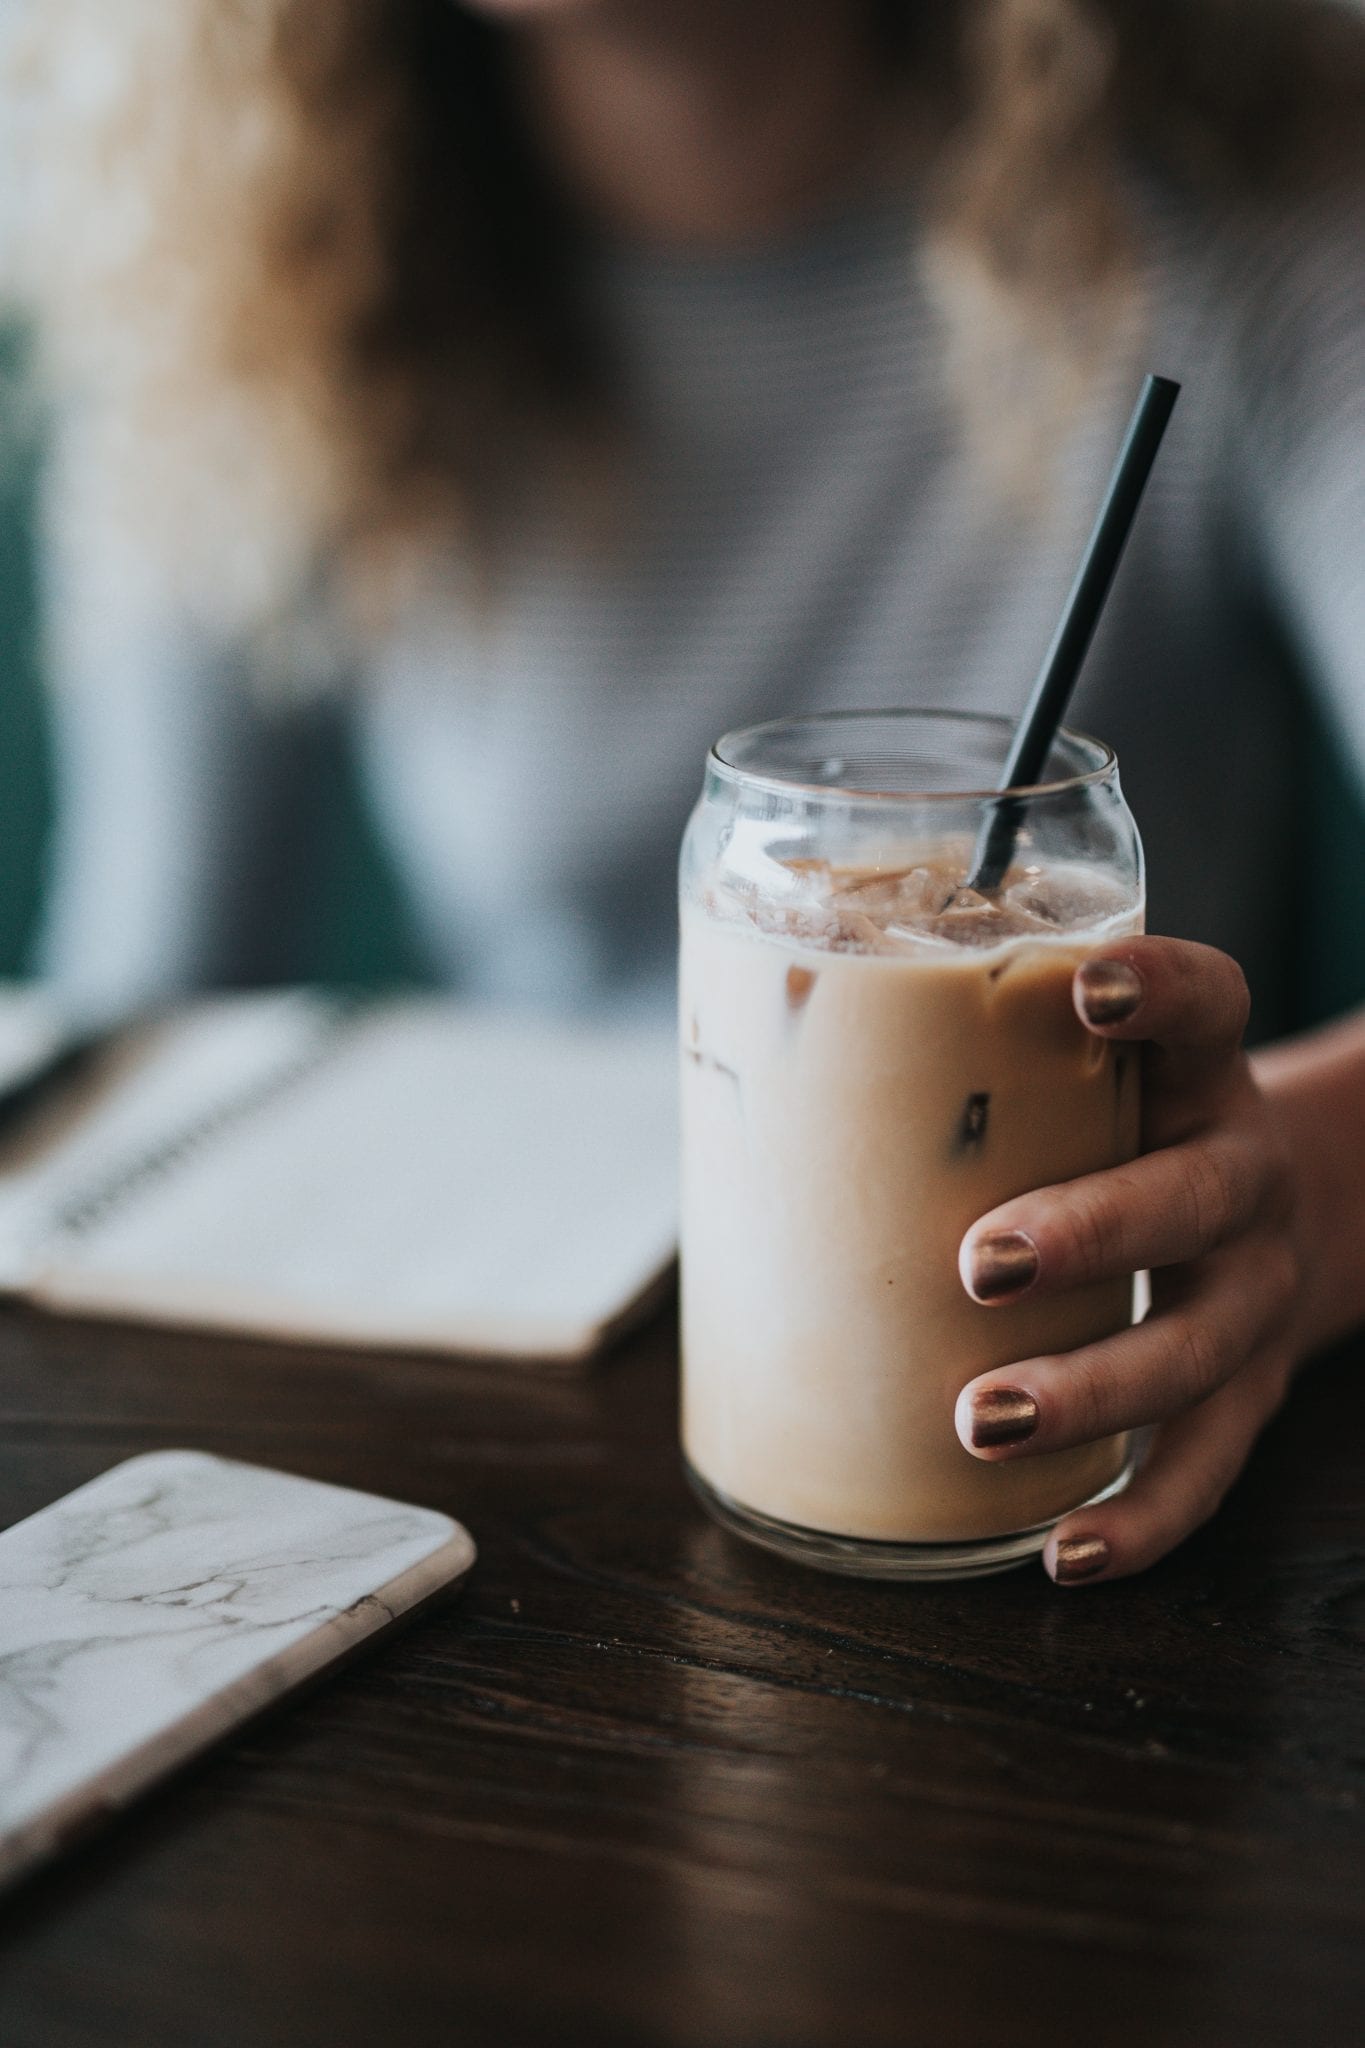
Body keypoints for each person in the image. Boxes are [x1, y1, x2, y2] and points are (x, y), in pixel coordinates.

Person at [3, 0, 1365, 1583]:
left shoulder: (1251, 191)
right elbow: (141, 1008)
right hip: (524, 1427)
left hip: (1084, 1404)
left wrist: (1310, 1190)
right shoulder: (251, 272)